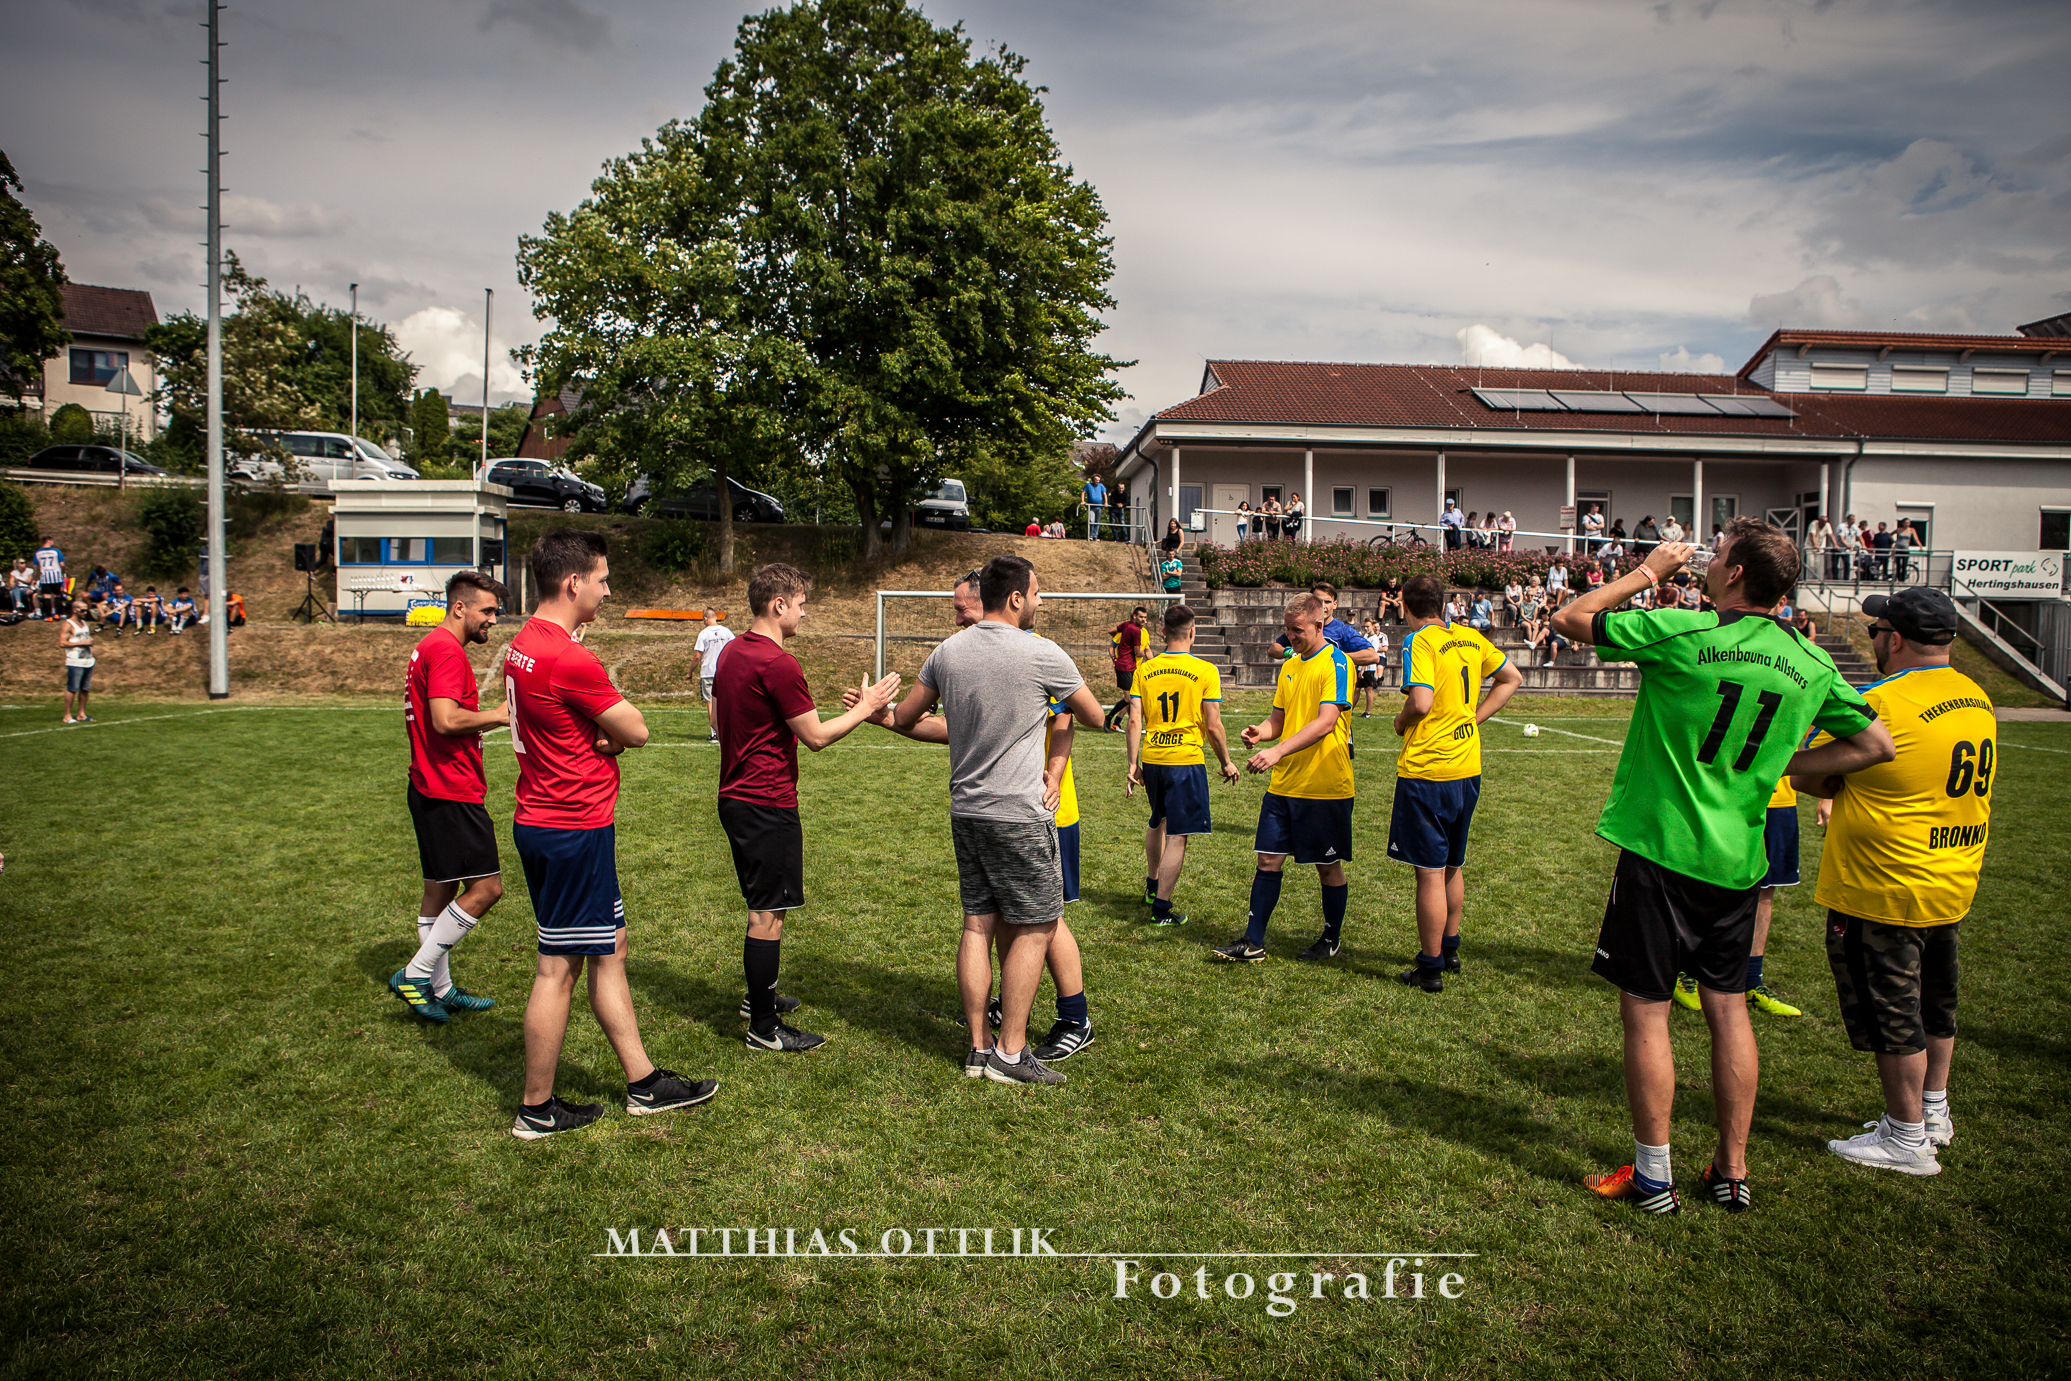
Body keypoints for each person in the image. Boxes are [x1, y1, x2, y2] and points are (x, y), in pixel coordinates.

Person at [1550, 519, 1891, 1214]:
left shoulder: (1686, 630)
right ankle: (1731, 1171)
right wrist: (1787, 762)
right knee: (1728, 1008)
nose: (1706, 561)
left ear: (1734, 573)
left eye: (1717, 554)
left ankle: (1653, 1177)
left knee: (1646, 1010)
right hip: (1738, 861)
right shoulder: (1809, 659)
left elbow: (1570, 617)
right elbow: (1874, 745)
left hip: (1661, 851)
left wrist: (1649, 571)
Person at [504, 528, 718, 1139]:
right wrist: (610, 736)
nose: (607, 590)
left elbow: (588, 725)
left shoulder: (526, 642)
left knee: (611, 947)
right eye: (602, 580)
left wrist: (600, 735)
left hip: (550, 818)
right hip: (571, 826)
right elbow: (638, 729)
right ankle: (536, 1108)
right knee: (557, 968)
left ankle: (643, 1082)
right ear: (574, 582)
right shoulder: (569, 657)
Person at [852, 569, 1101, 1065]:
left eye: (960, 608)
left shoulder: (954, 652)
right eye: (1036, 594)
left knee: (991, 924)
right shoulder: (1033, 652)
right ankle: (1014, 1045)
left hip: (986, 809)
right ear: (1015, 597)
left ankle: (990, 1043)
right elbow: (1091, 715)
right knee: (1032, 923)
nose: (1039, 602)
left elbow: (905, 719)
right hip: (1016, 812)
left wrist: (878, 712)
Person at [1795, 588, 1991, 1177]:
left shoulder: (1881, 701)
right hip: (1952, 878)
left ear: (1895, 638)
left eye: (1876, 630)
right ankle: (1933, 1112)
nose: (1874, 639)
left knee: (1893, 1012)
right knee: (1936, 1001)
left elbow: (1812, 773)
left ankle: (1906, 1137)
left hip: (1883, 883)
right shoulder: (1976, 697)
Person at [715, 563, 903, 1053]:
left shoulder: (732, 651)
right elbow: (816, 736)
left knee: (764, 907)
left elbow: (719, 716)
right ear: (778, 604)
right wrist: (866, 707)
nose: (804, 613)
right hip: (766, 801)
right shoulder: (779, 663)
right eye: (800, 604)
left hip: (736, 796)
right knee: (768, 914)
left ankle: (759, 1000)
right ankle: (763, 1027)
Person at [388, 571, 513, 1025]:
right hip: (448, 788)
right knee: (487, 888)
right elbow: (444, 719)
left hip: (429, 784)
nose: (493, 620)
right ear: (459, 607)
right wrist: (498, 715)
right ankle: (415, 974)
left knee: (439, 892)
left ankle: (439, 989)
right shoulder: (446, 650)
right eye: (487, 610)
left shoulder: (430, 645)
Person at [1390, 574, 1522, 988]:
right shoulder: (1469, 636)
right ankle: (1449, 949)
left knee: (1429, 871)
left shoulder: (1419, 641)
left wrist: (1400, 721)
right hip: (1467, 766)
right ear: (1443, 604)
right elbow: (1512, 678)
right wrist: (1473, 719)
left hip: (1429, 769)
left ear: (1405, 606)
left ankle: (1430, 968)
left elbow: (1420, 702)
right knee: (1452, 863)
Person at [1213, 592, 1355, 964]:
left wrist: (1276, 752)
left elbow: (1327, 722)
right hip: (1284, 784)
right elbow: (1278, 719)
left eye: (1298, 630)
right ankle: (1253, 942)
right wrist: (1260, 732)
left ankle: (1331, 938)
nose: (1290, 637)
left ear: (1319, 625)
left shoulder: (1337, 663)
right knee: (1267, 861)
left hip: (1324, 785)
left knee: (1327, 867)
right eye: (1287, 629)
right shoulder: (1291, 665)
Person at [1126, 603, 1240, 927]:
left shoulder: (1145, 669)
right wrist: (1226, 762)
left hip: (1153, 759)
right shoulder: (1205, 670)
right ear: (1192, 632)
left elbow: (1134, 720)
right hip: (1184, 761)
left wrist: (1133, 764)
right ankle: (1161, 910)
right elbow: (1213, 725)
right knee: (1178, 835)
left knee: (1157, 820)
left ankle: (1152, 887)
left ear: (1162, 631)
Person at [1106, 605, 1151, 731]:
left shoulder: (1144, 633)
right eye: (1141, 617)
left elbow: (1147, 650)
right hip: (1126, 667)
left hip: (1137, 669)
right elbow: (1112, 642)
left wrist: (1153, 665)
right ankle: (1110, 719)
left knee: (1135, 698)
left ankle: (1118, 723)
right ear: (1135, 616)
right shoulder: (1126, 631)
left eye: (1145, 618)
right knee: (1130, 698)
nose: (1144, 620)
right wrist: (1114, 659)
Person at [694, 610, 734, 744]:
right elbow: (734, 648)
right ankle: (728, 731)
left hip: (708, 672)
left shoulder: (704, 633)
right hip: (724, 671)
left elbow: (697, 656)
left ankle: (714, 733)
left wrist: (690, 671)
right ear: (716, 617)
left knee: (710, 702)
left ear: (705, 619)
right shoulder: (727, 632)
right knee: (725, 701)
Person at [60, 601, 94, 724]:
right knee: (72, 688)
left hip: (88, 660)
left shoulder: (84, 623)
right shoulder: (68, 624)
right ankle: (67, 715)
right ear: (75, 610)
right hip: (75, 661)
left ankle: (81, 714)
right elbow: (62, 643)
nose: (85, 613)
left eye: (86, 610)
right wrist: (83, 643)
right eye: (82, 610)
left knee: (85, 689)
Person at [32, 536, 65, 620]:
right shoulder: (56, 551)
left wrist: (34, 578)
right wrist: (63, 573)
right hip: (56, 576)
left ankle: (49, 616)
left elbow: (35, 567)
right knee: (57, 595)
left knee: (46, 596)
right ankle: (57, 614)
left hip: (45, 576)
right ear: (49, 541)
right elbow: (62, 565)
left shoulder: (38, 553)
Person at [1082, 474, 1107, 541]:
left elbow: (1104, 494)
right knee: (1091, 521)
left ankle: (1095, 536)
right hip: (1091, 507)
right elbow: (1083, 492)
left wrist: (1106, 502)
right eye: (1096, 480)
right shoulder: (1088, 485)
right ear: (1093, 480)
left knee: (1097, 522)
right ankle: (1090, 536)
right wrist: (1083, 501)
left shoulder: (1101, 486)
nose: (1097, 481)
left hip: (1099, 506)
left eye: (1098, 480)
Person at [1109, 479, 1129, 543]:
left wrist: (1122, 505)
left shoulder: (1125, 493)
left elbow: (1127, 502)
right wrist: (1116, 504)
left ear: (1124, 488)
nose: (1121, 490)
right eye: (1120, 488)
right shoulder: (1113, 492)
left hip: (1120, 509)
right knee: (1113, 524)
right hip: (1113, 509)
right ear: (1117, 488)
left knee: (1122, 523)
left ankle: (1125, 539)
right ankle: (1116, 539)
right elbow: (1111, 501)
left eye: (1122, 488)